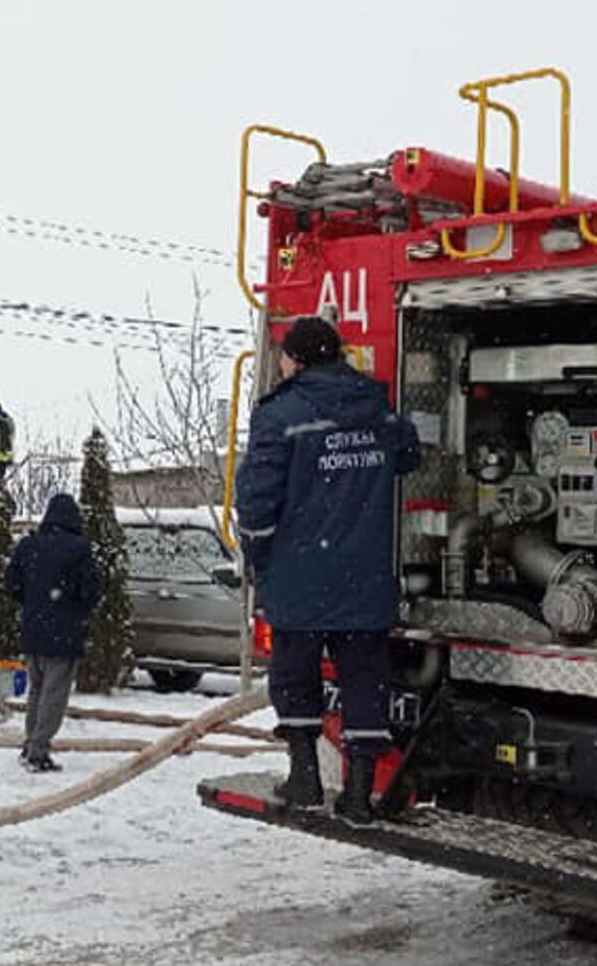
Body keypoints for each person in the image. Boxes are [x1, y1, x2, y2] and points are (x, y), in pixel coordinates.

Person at [235, 316, 421, 825]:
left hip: (300, 579)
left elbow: (256, 499)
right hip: (365, 579)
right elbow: (408, 452)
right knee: (366, 681)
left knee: (295, 678)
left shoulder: (281, 414)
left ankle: (304, 778)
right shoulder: (375, 406)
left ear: (294, 359)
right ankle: (359, 793)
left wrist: (255, 551)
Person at [6, 492, 99, 773]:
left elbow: (11, 584)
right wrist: (75, 610)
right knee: (54, 693)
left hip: (33, 629)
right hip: (65, 631)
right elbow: (91, 590)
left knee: (36, 690)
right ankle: (38, 749)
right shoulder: (79, 549)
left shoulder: (28, 545)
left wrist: (33, 603)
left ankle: (30, 742)